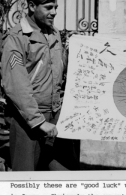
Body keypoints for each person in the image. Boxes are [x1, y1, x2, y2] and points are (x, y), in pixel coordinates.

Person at [1, 0, 79, 171]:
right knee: (26, 179)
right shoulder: (17, 38)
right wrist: (38, 122)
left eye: (56, 7)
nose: (54, 12)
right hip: (28, 121)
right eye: (48, 7)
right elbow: (16, 85)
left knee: (65, 176)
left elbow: (59, 71)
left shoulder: (54, 34)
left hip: (56, 117)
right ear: (31, 6)